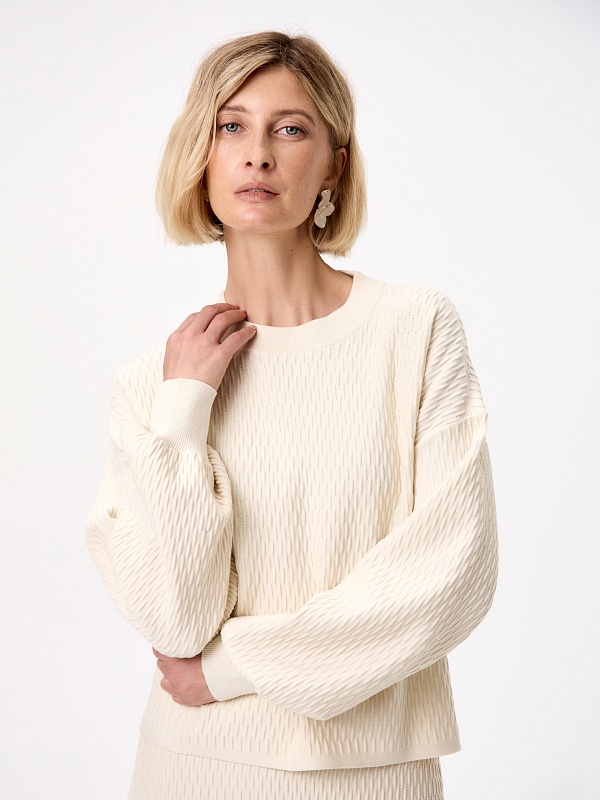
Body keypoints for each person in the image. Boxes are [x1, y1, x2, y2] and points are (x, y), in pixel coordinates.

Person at [85, 30, 499, 800]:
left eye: (290, 128)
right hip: (193, 769)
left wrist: (230, 669)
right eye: (231, 126)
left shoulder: (414, 330)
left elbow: (451, 572)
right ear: (200, 155)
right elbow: (174, 621)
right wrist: (184, 408)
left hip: (374, 770)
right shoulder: (155, 384)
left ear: (334, 164)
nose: (258, 156)